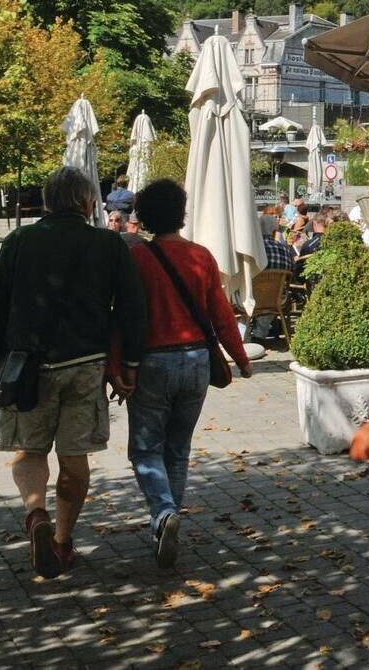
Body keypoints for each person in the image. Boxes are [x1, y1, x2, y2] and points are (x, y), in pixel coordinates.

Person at [0, 166, 147, 578]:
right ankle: (62, 540)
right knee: (75, 457)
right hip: (85, 364)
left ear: (48, 201)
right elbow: (131, 308)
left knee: (28, 450)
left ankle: (36, 514)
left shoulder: (19, 240)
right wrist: (129, 364)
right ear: (89, 202)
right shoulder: (108, 244)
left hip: (28, 365)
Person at [119, 179, 251, 569]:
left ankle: (162, 514)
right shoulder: (201, 256)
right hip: (195, 361)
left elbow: (123, 319)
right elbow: (221, 314)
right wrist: (240, 357)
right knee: (177, 449)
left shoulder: (137, 259)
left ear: (143, 217)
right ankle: (166, 521)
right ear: (181, 212)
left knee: (145, 449)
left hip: (152, 363)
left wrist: (116, 370)